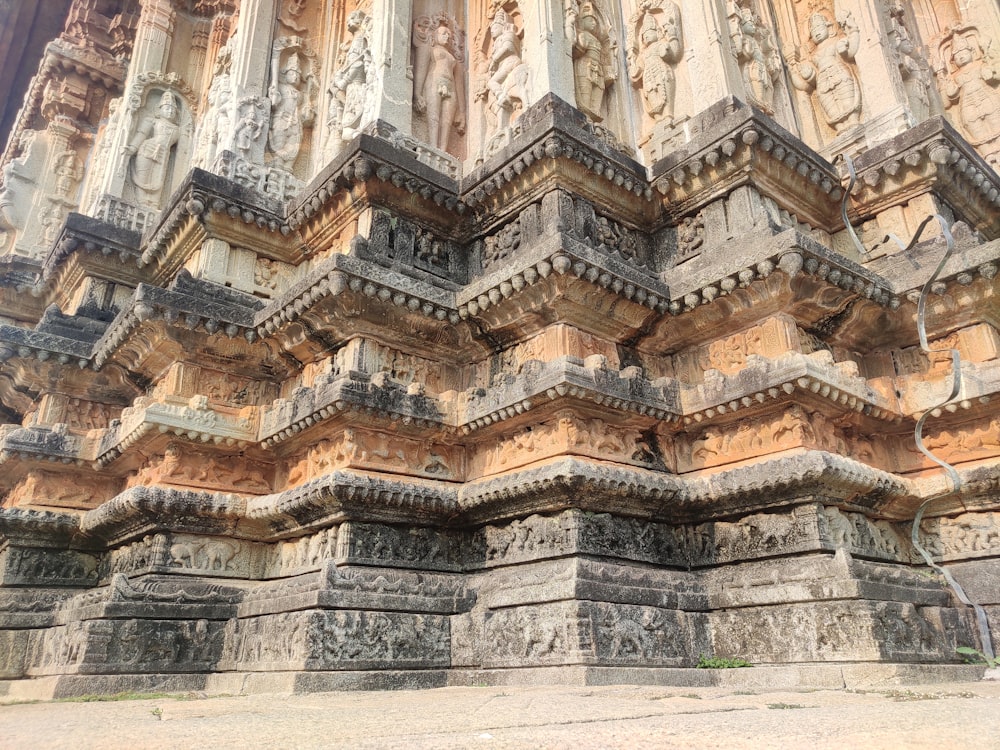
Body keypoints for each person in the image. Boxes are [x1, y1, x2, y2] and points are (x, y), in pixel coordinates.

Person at [790, 11, 861, 132]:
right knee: (832, 109)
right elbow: (811, 83)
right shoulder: (813, 55)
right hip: (822, 82)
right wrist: (808, 75)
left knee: (847, 102)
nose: (816, 32)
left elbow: (851, 53)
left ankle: (853, 120)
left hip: (839, 74)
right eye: (813, 31)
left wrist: (853, 31)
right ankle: (839, 128)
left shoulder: (836, 42)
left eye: (819, 27)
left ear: (829, 28)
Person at [414, 24, 466, 152]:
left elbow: (459, 85)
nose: (447, 37)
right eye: (443, 33)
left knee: (447, 121)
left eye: (449, 35)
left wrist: (462, 111)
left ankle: (442, 151)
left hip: (450, 86)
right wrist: (417, 93)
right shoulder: (429, 49)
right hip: (434, 81)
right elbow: (421, 70)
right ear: (435, 36)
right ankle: (433, 147)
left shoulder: (454, 59)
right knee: (434, 116)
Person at [124, 91, 181, 206]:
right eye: (166, 108)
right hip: (147, 149)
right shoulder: (152, 121)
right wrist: (132, 149)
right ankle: (140, 203)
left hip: (163, 154)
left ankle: (154, 204)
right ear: (159, 109)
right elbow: (141, 134)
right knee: (143, 177)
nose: (170, 111)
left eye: (172, 109)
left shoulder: (178, 129)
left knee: (159, 177)